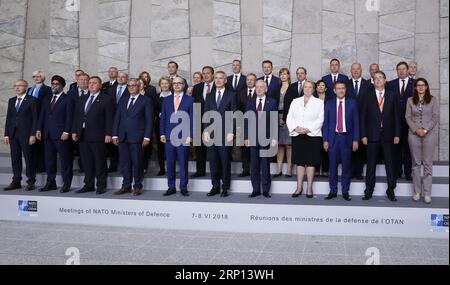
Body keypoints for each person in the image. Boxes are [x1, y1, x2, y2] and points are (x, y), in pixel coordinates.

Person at [361, 71, 401, 202]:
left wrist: (397, 134)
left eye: (380, 78)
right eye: (375, 78)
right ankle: (369, 190)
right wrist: (364, 135)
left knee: (390, 165)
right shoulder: (368, 96)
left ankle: (391, 190)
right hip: (372, 136)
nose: (378, 80)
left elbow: (397, 116)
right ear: (373, 81)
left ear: (385, 80)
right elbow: (363, 118)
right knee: (371, 165)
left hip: (389, 136)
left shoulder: (392, 95)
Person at [72, 76, 115, 195]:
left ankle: (101, 185)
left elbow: (109, 118)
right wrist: (75, 131)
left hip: (98, 135)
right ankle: (88, 184)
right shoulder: (82, 99)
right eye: (90, 83)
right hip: (83, 134)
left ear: (100, 85)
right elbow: (77, 117)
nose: (91, 85)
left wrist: (108, 134)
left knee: (99, 161)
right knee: (86, 161)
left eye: (94, 83)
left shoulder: (106, 99)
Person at [112, 79, 154, 197]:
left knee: (137, 163)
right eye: (129, 86)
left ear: (139, 86)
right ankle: (126, 185)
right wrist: (115, 134)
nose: (131, 87)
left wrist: (147, 136)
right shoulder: (123, 100)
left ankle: (137, 186)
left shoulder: (146, 101)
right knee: (125, 163)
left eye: (133, 85)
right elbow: (117, 118)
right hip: (122, 136)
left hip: (137, 137)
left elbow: (149, 120)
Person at [36, 75, 74, 193]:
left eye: (57, 84)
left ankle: (66, 184)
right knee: (49, 160)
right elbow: (42, 116)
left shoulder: (68, 99)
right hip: (47, 134)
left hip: (61, 134)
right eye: (53, 84)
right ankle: (50, 183)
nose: (54, 86)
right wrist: (38, 130)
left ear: (62, 85)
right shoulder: (46, 98)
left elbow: (70, 117)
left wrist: (67, 131)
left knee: (65, 160)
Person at [322, 81, 360, 201]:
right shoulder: (329, 103)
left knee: (346, 167)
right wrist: (325, 140)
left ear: (345, 90)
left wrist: (356, 140)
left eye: (343, 88)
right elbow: (326, 123)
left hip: (347, 139)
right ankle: (333, 191)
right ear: (334, 90)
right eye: (338, 88)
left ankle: (345, 191)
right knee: (332, 167)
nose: (341, 90)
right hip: (333, 139)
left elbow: (356, 123)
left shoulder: (352, 103)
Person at [287, 80, 324, 199]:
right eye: (305, 87)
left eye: (310, 87)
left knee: (311, 162)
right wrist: (296, 128)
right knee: (300, 161)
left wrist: (308, 129)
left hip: (312, 135)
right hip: (298, 135)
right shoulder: (295, 101)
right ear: (303, 88)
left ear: (313, 89)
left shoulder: (319, 102)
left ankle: (309, 187)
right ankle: (299, 187)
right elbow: (289, 117)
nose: (307, 89)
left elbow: (320, 119)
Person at [406, 78, 439, 204]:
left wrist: (425, 130)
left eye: (423, 85)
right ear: (415, 87)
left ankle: (427, 193)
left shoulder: (433, 100)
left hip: (429, 135)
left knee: (427, 164)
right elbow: (407, 117)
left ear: (426, 87)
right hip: (413, 135)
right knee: (415, 164)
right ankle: (417, 192)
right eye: (418, 85)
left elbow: (435, 117)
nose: (420, 87)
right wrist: (416, 130)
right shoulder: (410, 100)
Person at [203, 71, 237, 197]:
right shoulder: (210, 96)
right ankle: (215, 186)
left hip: (225, 135)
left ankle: (225, 187)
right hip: (211, 134)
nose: (218, 80)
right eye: (216, 78)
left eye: (221, 78)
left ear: (225, 80)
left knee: (225, 161)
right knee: (213, 162)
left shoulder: (231, 95)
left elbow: (234, 115)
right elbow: (206, 114)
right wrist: (205, 130)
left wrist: (232, 132)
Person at [160, 76, 194, 197]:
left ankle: (183, 187)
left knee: (183, 162)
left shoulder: (190, 100)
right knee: (170, 163)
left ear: (183, 85)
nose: (177, 85)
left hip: (183, 136)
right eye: (174, 83)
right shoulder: (166, 99)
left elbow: (193, 119)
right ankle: (171, 187)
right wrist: (162, 133)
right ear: (171, 85)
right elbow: (163, 117)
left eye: (179, 83)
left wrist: (191, 135)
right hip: (169, 136)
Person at [245, 80, 278, 198]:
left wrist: (274, 137)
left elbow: (274, 121)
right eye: (257, 87)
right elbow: (246, 121)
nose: (259, 89)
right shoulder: (250, 102)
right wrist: (246, 137)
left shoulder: (272, 102)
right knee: (254, 165)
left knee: (265, 164)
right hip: (253, 138)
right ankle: (255, 189)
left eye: (261, 87)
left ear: (266, 89)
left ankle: (265, 190)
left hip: (267, 138)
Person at [3, 80, 38, 191]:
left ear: (26, 87)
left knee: (29, 158)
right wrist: (6, 134)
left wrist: (33, 134)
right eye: (15, 86)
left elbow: (35, 119)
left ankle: (31, 181)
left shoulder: (32, 100)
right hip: (13, 134)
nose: (17, 88)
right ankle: (16, 181)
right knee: (15, 158)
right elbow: (9, 118)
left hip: (27, 134)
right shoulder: (12, 100)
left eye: (20, 86)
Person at [388, 62, 414, 181]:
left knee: (408, 148)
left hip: (410, 122)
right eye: (399, 69)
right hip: (394, 122)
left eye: (403, 69)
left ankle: (408, 172)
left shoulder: (414, 84)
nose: (401, 71)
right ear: (397, 71)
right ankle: (397, 171)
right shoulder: (391, 84)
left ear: (408, 70)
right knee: (396, 147)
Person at [346, 63, 373, 180]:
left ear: (361, 70)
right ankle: (351, 170)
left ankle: (359, 171)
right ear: (351, 71)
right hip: (348, 120)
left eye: (358, 69)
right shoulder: (345, 85)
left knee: (361, 146)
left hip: (364, 120)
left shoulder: (368, 85)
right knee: (349, 146)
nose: (356, 71)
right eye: (354, 69)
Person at [191, 66, 215, 177]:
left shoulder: (220, 86)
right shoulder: (196, 88)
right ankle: (200, 171)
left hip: (216, 122)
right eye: (204, 73)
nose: (205, 75)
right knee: (200, 148)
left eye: (208, 73)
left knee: (214, 148)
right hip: (199, 122)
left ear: (213, 74)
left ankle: (216, 171)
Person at [27, 70, 52, 173]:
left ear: (42, 77)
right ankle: (33, 166)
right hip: (30, 119)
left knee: (40, 144)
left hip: (41, 118)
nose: (36, 78)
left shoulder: (47, 89)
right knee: (31, 145)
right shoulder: (29, 89)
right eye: (34, 76)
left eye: (38, 76)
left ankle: (42, 166)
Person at [107, 71, 129, 173]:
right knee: (112, 144)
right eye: (119, 77)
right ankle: (113, 165)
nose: (120, 79)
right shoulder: (110, 89)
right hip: (112, 120)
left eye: (123, 77)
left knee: (125, 143)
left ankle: (125, 166)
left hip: (125, 120)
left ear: (126, 79)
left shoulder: (130, 90)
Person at [67, 73, 90, 173]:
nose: (83, 81)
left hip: (89, 127)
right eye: (81, 79)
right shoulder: (71, 93)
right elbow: (69, 112)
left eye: (86, 80)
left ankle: (84, 167)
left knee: (85, 150)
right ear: (77, 81)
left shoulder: (92, 93)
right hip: (74, 125)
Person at [151, 76, 173, 176]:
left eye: (166, 83)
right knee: (160, 147)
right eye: (162, 83)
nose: (164, 85)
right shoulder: (156, 96)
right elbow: (153, 109)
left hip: (173, 124)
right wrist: (159, 113)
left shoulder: (174, 96)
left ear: (170, 84)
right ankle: (162, 168)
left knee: (171, 147)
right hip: (160, 124)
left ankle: (171, 168)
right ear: (160, 85)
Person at [236, 73, 257, 177]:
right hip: (242, 124)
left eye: (252, 80)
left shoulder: (259, 92)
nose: (249, 81)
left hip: (256, 125)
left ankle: (254, 169)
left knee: (254, 148)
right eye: (248, 79)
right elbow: (237, 109)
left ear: (255, 81)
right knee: (244, 149)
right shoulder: (240, 93)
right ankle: (245, 169)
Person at [274, 68, 292, 178]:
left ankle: (289, 169)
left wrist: (284, 119)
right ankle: (279, 169)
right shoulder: (276, 89)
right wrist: (277, 119)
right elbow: (272, 104)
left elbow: (293, 106)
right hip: (276, 117)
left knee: (289, 145)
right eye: (281, 74)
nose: (283, 75)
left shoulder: (292, 89)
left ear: (288, 76)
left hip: (289, 118)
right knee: (279, 144)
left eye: (285, 74)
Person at [314, 80, 329, 177]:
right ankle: (316, 169)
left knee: (326, 149)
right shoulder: (312, 99)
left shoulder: (330, 99)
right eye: (318, 85)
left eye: (322, 85)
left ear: (326, 88)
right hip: (315, 127)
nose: (320, 87)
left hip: (327, 126)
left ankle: (325, 169)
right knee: (316, 148)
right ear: (316, 88)